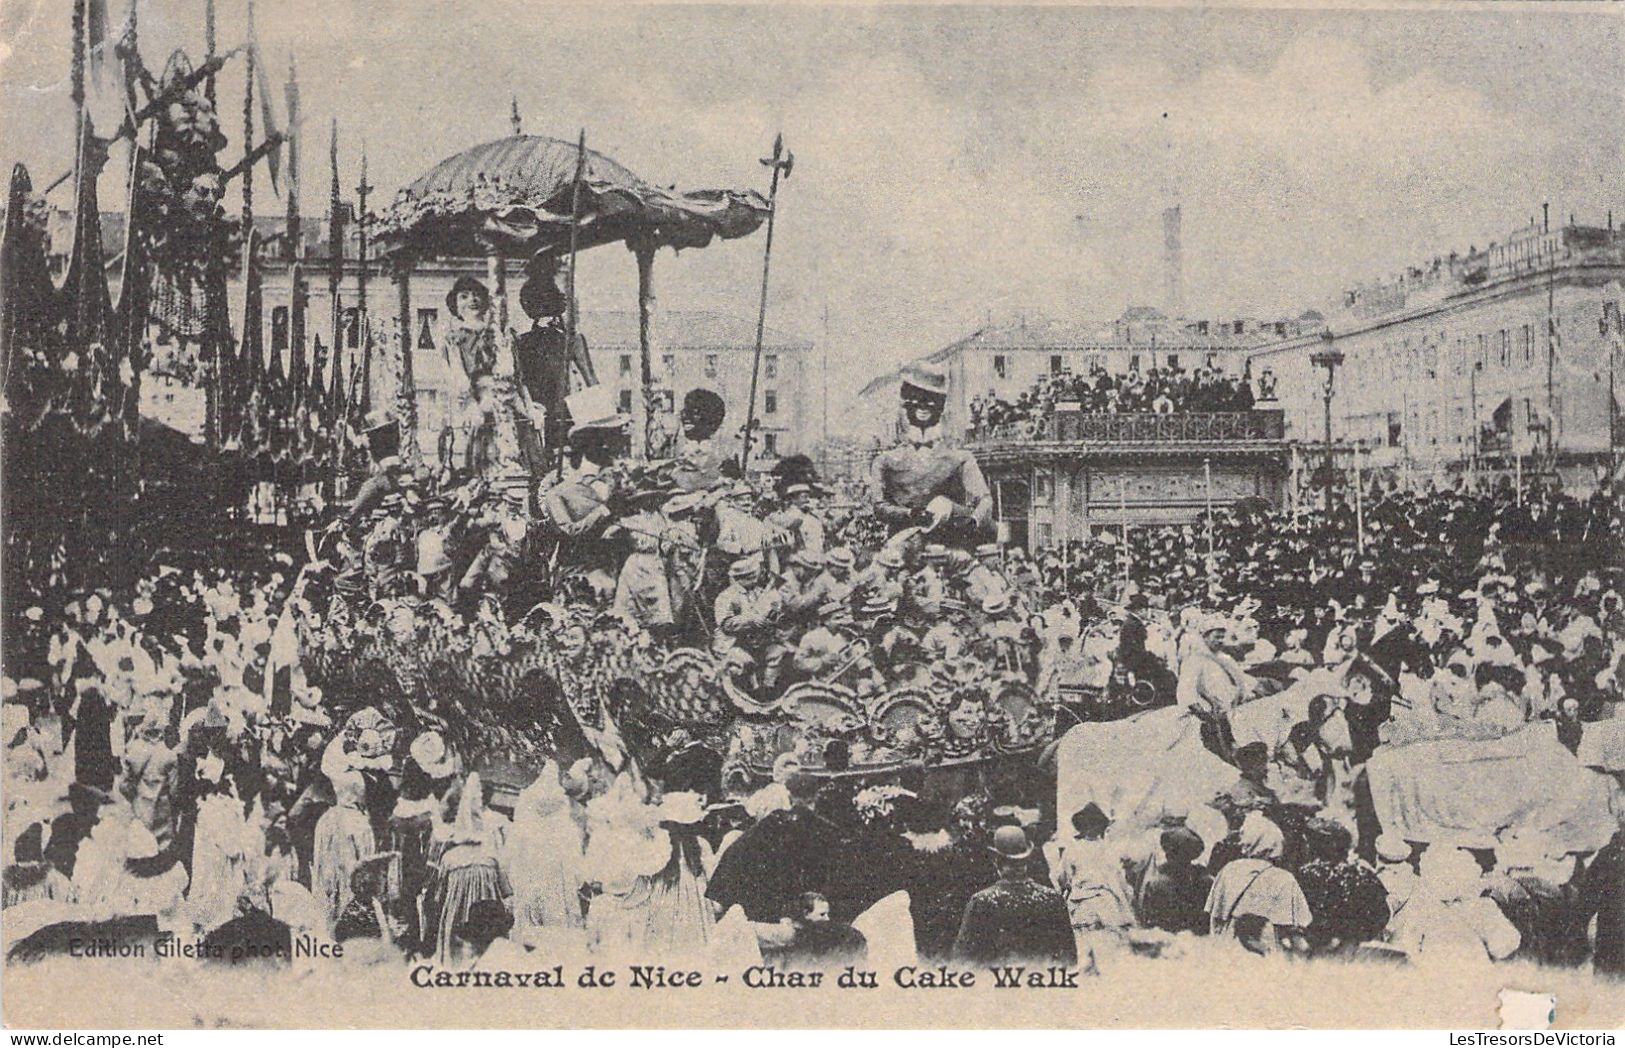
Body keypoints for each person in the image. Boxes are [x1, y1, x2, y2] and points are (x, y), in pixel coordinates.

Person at [871, 362, 994, 550]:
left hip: (951, 548)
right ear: (906, 403)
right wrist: (911, 514)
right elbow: (879, 507)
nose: (923, 406)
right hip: (901, 548)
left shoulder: (961, 458)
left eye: (930, 399)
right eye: (916, 398)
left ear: (940, 405)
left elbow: (985, 500)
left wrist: (973, 522)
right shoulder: (884, 461)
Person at [952, 824, 1078, 968]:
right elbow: (1069, 958)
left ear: (996, 861)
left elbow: (962, 960)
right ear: (1027, 859)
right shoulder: (1053, 899)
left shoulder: (981, 902)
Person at [512, 267, 597, 461]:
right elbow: (519, 379)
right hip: (535, 413)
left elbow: (591, 380)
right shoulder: (521, 342)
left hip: (563, 413)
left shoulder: (571, 340)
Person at [312, 728, 390, 932]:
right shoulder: (365, 778)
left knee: (333, 872)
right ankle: (351, 917)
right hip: (354, 822)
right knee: (352, 870)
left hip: (335, 818)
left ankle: (333, 917)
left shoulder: (339, 771)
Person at [1205, 812, 1312, 953]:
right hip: (1266, 952)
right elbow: (1295, 928)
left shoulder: (1228, 871)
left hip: (1229, 950)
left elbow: (1215, 918)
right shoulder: (1283, 878)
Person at [430, 773, 509, 964]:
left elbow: (438, 896)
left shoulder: (449, 859)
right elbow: (506, 891)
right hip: (487, 922)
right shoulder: (491, 857)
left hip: (456, 921)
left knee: (456, 957)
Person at [505, 763, 584, 942]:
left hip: (528, 889)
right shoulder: (566, 828)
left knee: (528, 934)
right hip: (556, 892)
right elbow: (578, 873)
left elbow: (510, 865)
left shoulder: (523, 828)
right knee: (555, 934)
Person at [1049, 803, 1134, 964]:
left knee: (1083, 951)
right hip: (1108, 905)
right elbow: (1120, 879)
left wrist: (1068, 887)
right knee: (1110, 952)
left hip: (1082, 904)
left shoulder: (1072, 849)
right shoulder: (1109, 850)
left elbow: (1062, 878)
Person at [1132, 823, 1212, 935]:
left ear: (1168, 854)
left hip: (1168, 944)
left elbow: (1149, 923)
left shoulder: (1157, 884)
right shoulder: (1207, 881)